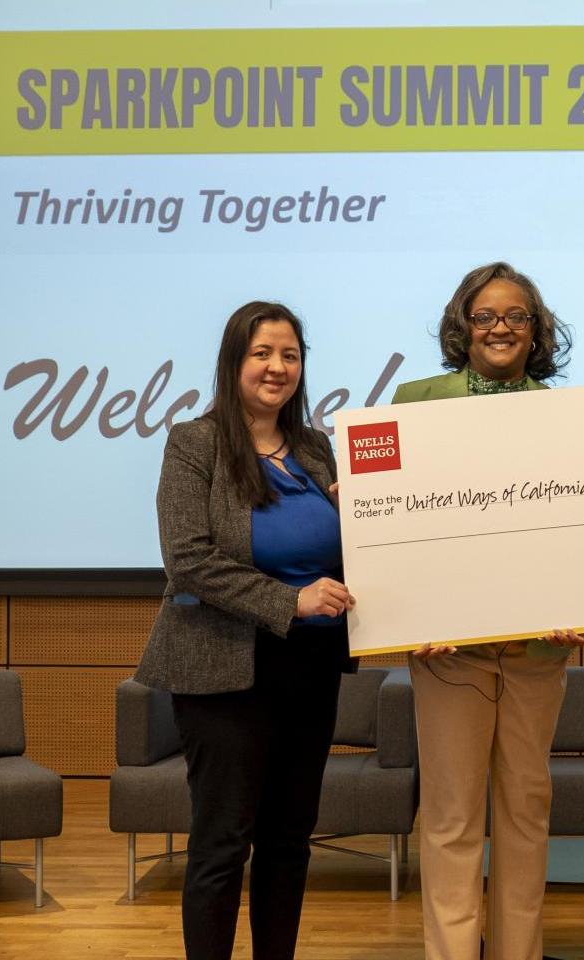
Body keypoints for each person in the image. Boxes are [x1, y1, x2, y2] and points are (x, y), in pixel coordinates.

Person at [135, 300, 356, 960]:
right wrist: (292, 601)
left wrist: (368, 520)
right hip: (223, 670)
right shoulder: (194, 443)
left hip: (310, 670)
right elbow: (190, 561)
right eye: (262, 353)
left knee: (289, 841)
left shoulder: (318, 450)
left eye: (290, 355)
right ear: (233, 361)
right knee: (223, 843)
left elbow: (356, 554)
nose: (277, 367)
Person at [391, 262, 584, 960]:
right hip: (446, 656)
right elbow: (393, 528)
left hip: (537, 652)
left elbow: (580, 527)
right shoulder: (411, 404)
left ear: (537, 332)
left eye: (517, 317)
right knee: (449, 821)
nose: (500, 328)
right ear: (461, 326)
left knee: (526, 818)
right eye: (485, 316)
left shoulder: (569, 416)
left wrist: (579, 605)